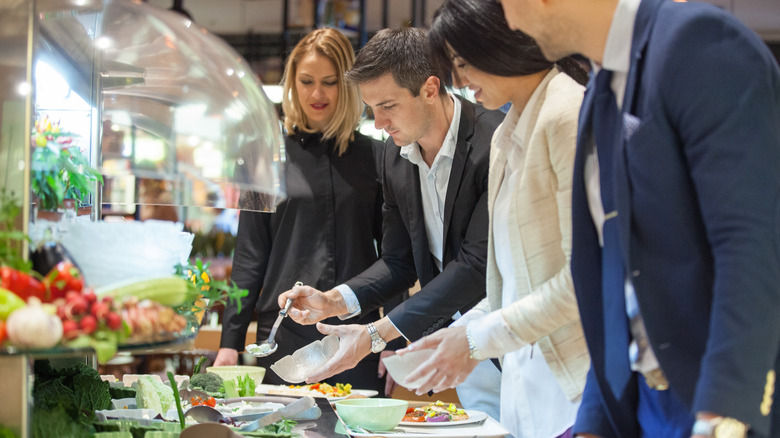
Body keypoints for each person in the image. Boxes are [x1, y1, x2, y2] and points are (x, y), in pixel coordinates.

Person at [498, 0, 780, 437]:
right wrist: (594, 416)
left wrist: (724, 412)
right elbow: (619, 274)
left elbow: (751, 242)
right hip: (642, 404)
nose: (510, 22)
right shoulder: (600, 87)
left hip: (715, 401)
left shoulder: (698, 43)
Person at [277, 26, 505, 417]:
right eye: (371, 109)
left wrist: (373, 336)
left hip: (511, 336)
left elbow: (475, 265)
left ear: (430, 89)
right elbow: (399, 261)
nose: (379, 123)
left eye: (388, 106)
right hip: (455, 345)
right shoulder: (394, 156)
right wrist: (334, 300)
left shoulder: (494, 142)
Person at [394, 1, 589, 437]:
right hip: (521, 392)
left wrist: (474, 340)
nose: (459, 81)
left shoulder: (567, 113)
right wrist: (454, 335)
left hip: (574, 391)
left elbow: (584, 280)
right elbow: (510, 283)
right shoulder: (505, 135)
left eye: (463, 63)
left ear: (502, 42)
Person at [213, 28, 392, 395]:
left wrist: (394, 340)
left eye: (330, 82)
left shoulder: (378, 157)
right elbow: (249, 254)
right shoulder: (260, 157)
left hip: (355, 337)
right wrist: (229, 341)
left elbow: (395, 258)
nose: (317, 94)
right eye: (307, 81)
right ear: (292, 82)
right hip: (283, 335)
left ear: (349, 85)